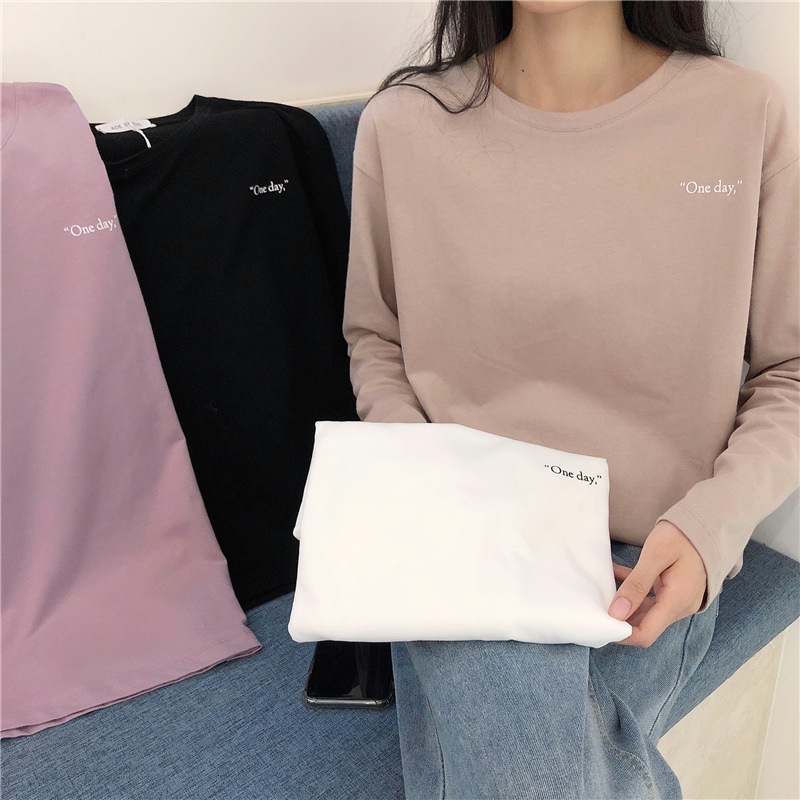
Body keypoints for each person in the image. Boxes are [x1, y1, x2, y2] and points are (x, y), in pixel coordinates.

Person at [341, 1, 799, 797]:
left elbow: (789, 371)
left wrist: (707, 531)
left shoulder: (743, 114)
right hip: (464, 537)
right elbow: (376, 341)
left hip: (644, 558)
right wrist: (429, 486)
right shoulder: (404, 124)